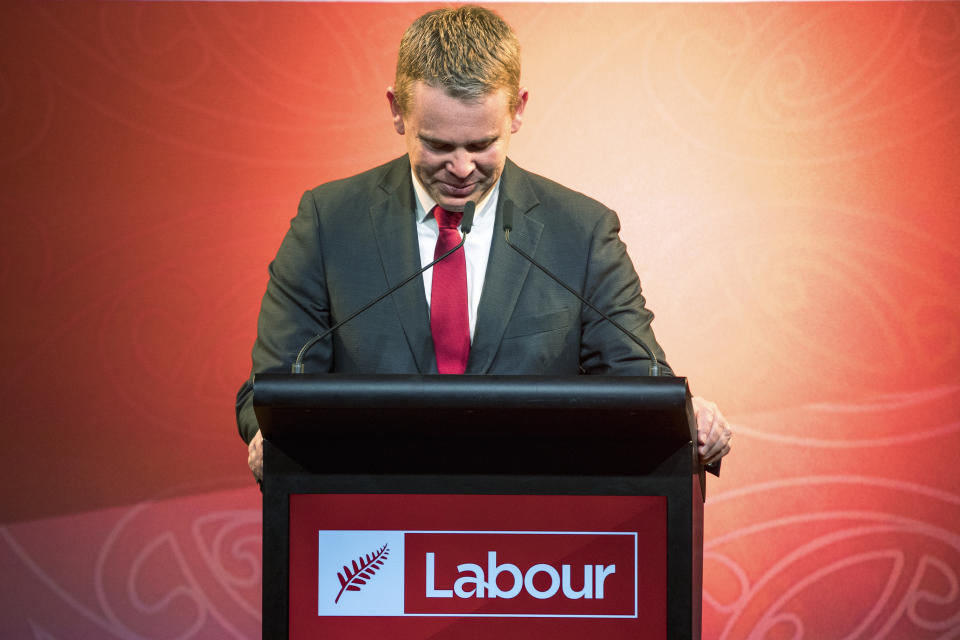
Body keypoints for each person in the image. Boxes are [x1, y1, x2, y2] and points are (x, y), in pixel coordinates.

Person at [237, 6, 732, 481]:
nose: (460, 167)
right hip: (369, 521)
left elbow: (638, 381)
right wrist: (269, 435)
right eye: (437, 144)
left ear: (517, 110)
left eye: (480, 145)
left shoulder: (581, 233)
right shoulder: (329, 223)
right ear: (396, 110)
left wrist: (688, 417)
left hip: (532, 540)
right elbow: (272, 389)